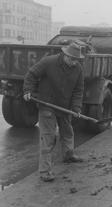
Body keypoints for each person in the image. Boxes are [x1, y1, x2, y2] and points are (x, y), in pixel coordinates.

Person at [23, 41, 86, 182]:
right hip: (47, 105)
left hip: (64, 106)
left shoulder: (78, 69)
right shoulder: (49, 62)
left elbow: (78, 90)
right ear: (65, 55)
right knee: (48, 138)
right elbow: (31, 74)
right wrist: (28, 90)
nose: (74, 62)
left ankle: (68, 155)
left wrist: (76, 108)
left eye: (77, 60)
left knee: (67, 131)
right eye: (72, 59)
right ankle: (45, 171)